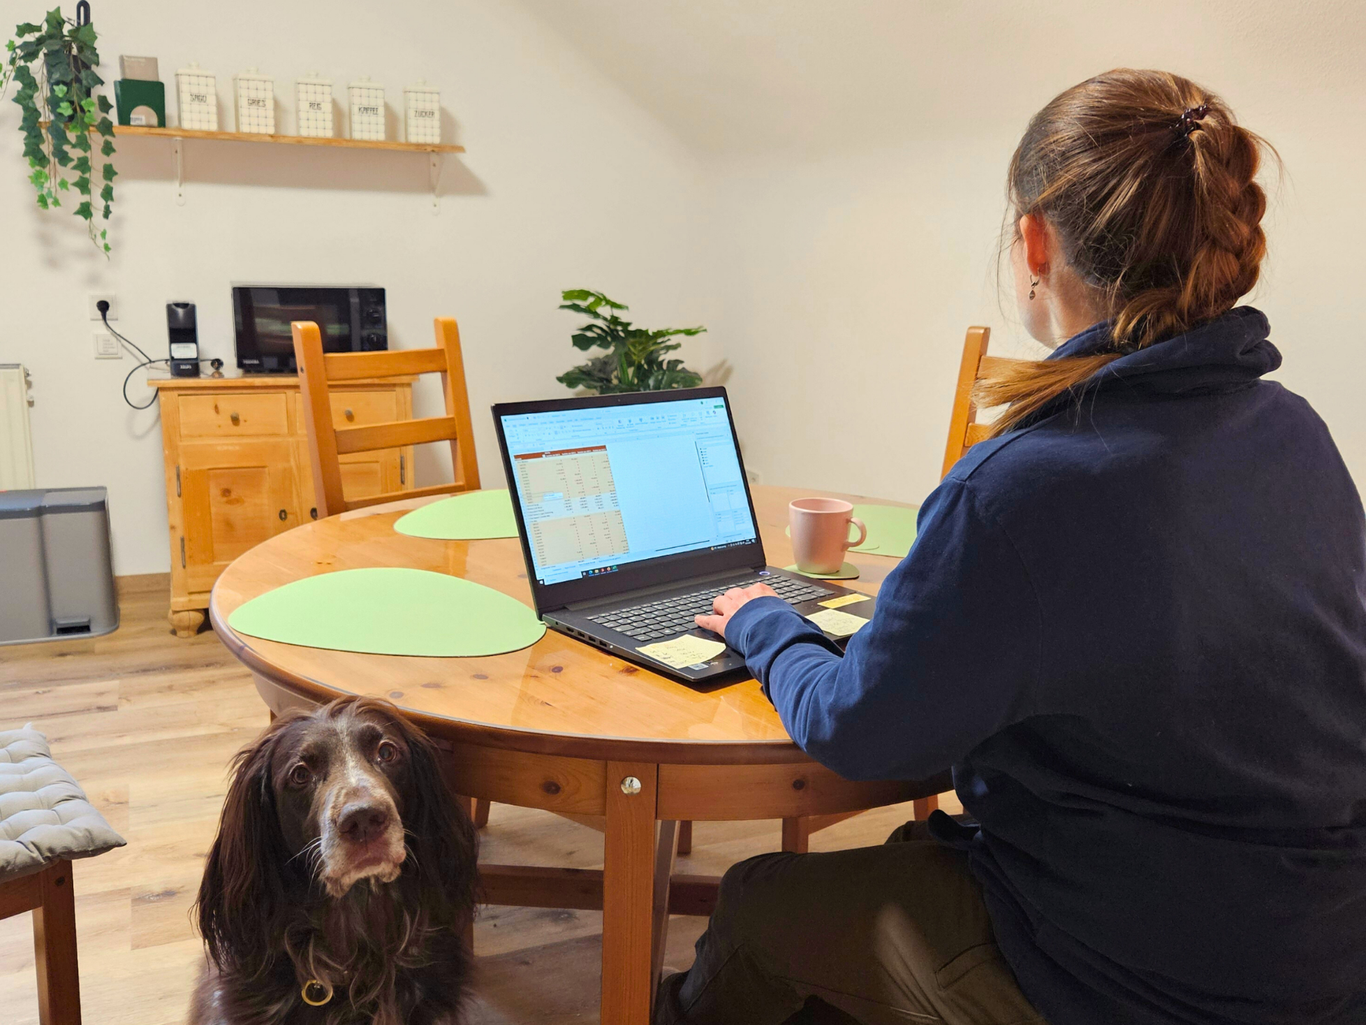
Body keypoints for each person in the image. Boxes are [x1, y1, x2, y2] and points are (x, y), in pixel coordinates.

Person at [654, 68, 1366, 1025]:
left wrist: (767, 624)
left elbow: (859, 733)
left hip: (1140, 973)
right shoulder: (1292, 431)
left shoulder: (1025, 483)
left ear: (1036, 238)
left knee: (755, 905)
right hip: (1315, 944)